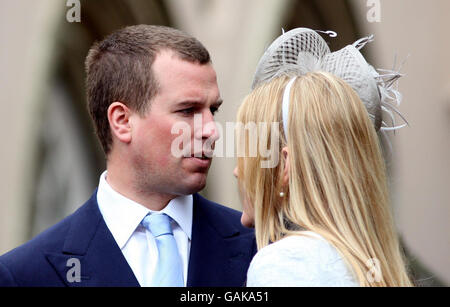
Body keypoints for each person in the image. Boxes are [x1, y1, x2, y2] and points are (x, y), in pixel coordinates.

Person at [0, 25, 256, 287]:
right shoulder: (25, 275)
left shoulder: (263, 247)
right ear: (122, 121)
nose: (212, 131)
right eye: (188, 110)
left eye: (212, 110)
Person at [234, 28, 413, 286]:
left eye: (247, 151)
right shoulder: (374, 266)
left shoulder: (286, 264)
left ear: (284, 165)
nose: (237, 171)